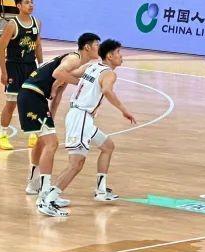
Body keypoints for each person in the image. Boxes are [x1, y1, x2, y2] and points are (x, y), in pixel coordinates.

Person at [47, 39, 137, 208]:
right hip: (80, 117)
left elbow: (67, 74)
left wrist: (54, 87)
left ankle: (101, 191)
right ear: (109, 56)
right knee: (76, 164)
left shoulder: (91, 66)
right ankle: (49, 198)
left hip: (80, 117)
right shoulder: (109, 74)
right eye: (118, 52)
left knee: (108, 146)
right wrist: (124, 110)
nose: (121, 56)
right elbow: (107, 91)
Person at [19, 32, 101, 217]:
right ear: (87, 47)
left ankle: (33, 184)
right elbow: (57, 73)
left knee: (43, 140)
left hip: (35, 96)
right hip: (32, 94)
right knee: (52, 144)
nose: (99, 48)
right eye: (97, 44)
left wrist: (52, 116)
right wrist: (80, 83)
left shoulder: (74, 66)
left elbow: (57, 93)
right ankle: (44, 194)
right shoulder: (74, 58)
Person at [0, 0, 43, 151]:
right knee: (11, 104)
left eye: (32, 2)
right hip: (14, 67)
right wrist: (3, 72)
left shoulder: (37, 22)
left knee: (33, 102)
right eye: (27, 2)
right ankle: (2, 136)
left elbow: (38, 45)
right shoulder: (12, 24)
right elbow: (0, 49)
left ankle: (33, 134)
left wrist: (41, 65)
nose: (31, 5)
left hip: (31, 67)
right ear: (18, 6)